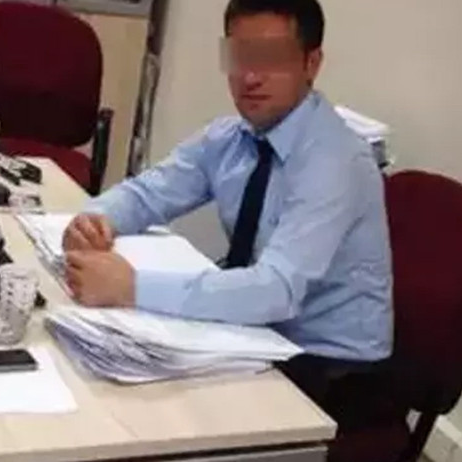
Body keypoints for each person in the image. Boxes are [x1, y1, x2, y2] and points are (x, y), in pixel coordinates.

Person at [62, 0, 393, 427]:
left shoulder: (335, 162)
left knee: (156, 421)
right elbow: (148, 193)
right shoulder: (232, 137)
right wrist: (95, 220)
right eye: (240, 57)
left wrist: (131, 286)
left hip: (331, 371)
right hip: (255, 337)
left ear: (312, 63)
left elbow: (276, 290)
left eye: (271, 59)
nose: (250, 77)